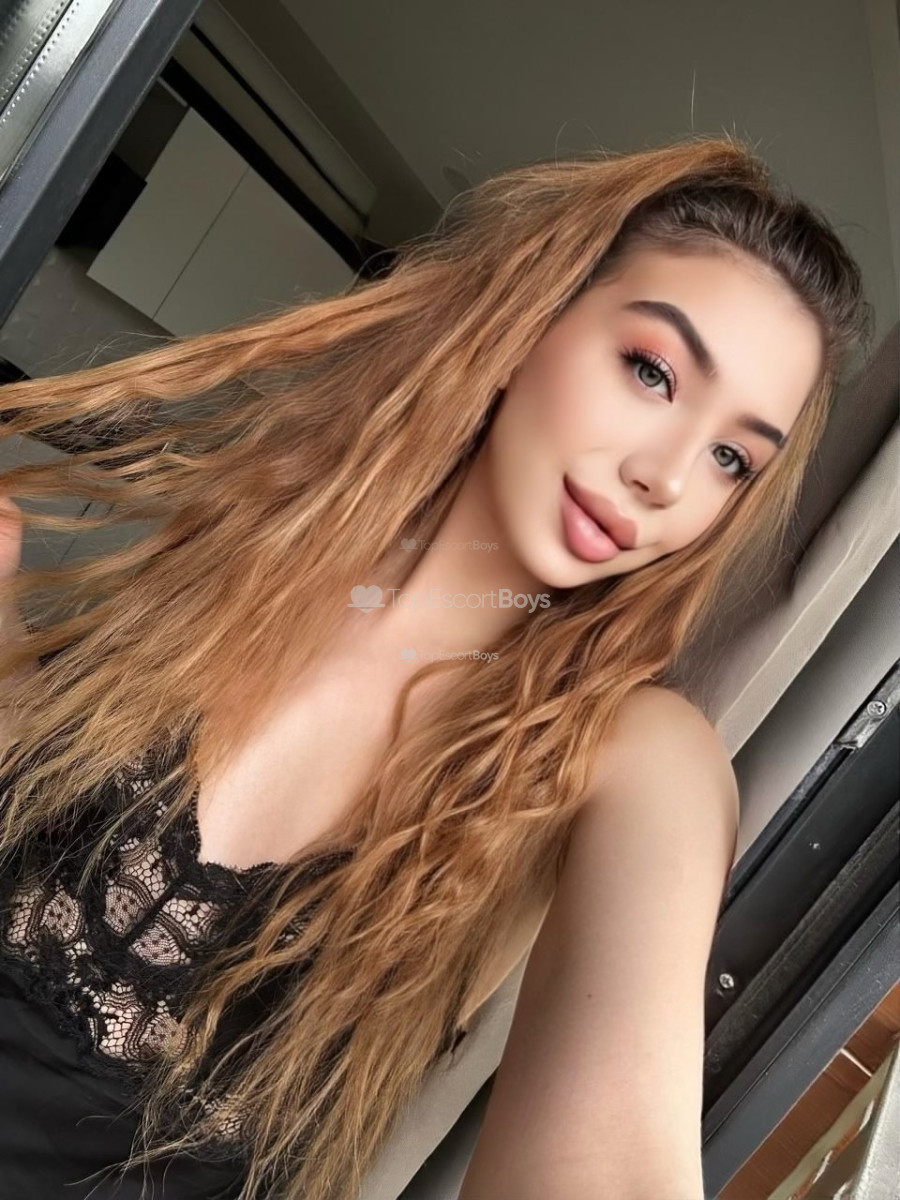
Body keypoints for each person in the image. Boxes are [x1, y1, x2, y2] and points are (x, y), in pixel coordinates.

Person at [0, 134, 870, 1200]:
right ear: (528, 325)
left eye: (733, 457)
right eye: (652, 372)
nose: (668, 476)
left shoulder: (635, 760)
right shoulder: (247, 553)